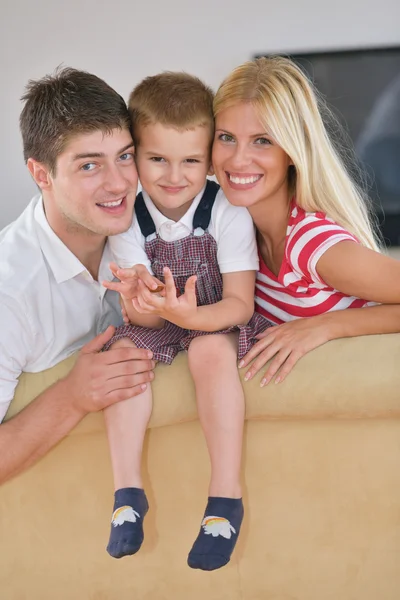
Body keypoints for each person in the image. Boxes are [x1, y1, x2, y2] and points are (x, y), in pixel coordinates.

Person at [101, 72, 270, 570]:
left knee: (209, 350)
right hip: (161, 318)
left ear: (209, 158)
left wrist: (193, 316)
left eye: (191, 161)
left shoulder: (227, 211)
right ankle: (127, 493)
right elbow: (142, 320)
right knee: (122, 356)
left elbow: (239, 305)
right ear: (134, 155)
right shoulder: (126, 216)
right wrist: (142, 301)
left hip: (215, 316)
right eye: (157, 159)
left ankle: (224, 498)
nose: (174, 177)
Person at [0, 68, 155, 486]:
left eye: (125, 156)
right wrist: (72, 397)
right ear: (41, 175)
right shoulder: (8, 293)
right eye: (90, 165)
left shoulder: (157, 229)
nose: (120, 182)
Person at [211, 56, 400, 386]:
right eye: (226, 137)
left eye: (263, 140)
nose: (238, 159)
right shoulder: (233, 232)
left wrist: (326, 326)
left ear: (292, 151)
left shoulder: (312, 244)